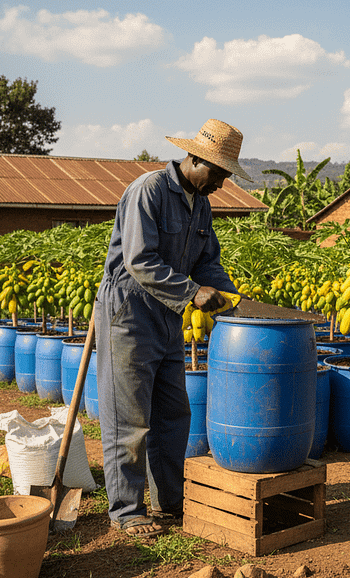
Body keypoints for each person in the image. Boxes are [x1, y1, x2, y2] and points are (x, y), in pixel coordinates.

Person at [94, 119, 252, 537]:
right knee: (129, 419)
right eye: (218, 172)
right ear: (195, 158)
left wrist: (232, 300)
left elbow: (207, 262)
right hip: (128, 315)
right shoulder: (147, 190)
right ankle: (127, 511)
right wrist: (193, 293)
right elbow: (140, 261)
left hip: (167, 317)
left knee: (173, 414)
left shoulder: (200, 204)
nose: (221, 182)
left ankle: (169, 500)